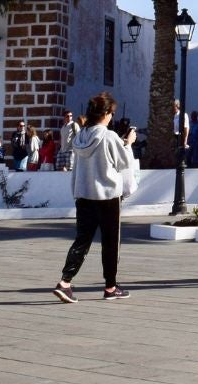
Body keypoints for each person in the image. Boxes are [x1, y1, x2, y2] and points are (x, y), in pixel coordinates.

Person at [54, 91, 134, 303]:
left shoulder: (80, 136)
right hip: (107, 197)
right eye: (112, 113)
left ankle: (65, 282)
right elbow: (124, 162)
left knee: (82, 240)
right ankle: (110, 287)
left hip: (84, 195)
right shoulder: (109, 136)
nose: (112, 117)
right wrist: (129, 143)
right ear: (106, 113)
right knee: (110, 243)